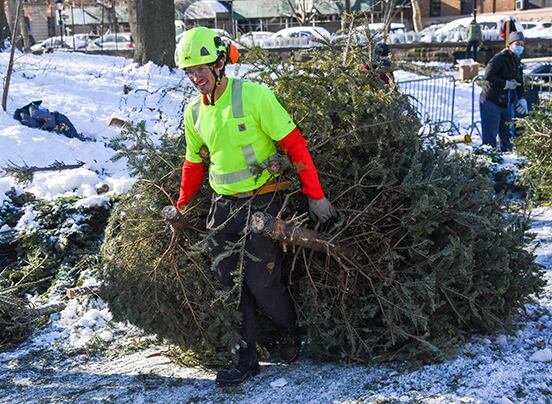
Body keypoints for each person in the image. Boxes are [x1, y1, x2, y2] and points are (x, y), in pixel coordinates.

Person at [174, 27, 336, 386]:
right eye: (189, 72)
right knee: (229, 285)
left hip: (264, 202)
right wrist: (182, 205)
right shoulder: (193, 114)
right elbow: (193, 164)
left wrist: (315, 194)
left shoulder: (255, 97)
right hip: (222, 207)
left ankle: (290, 332)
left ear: (220, 64)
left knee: (263, 283)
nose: (195, 77)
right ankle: (244, 359)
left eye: (200, 68)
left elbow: (295, 145)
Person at [479, 31, 528, 152]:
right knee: (490, 135)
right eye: (517, 43)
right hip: (491, 100)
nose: (520, 47)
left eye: (522, 44)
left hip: (506, 103)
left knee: (506, 135)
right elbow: (488, 75)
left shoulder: (517, 62)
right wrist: (505, 83)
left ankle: (506, 161)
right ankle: (488, 160)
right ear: (509, 44)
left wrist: (521, 98)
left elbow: (519, 82)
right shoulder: (499, 58)